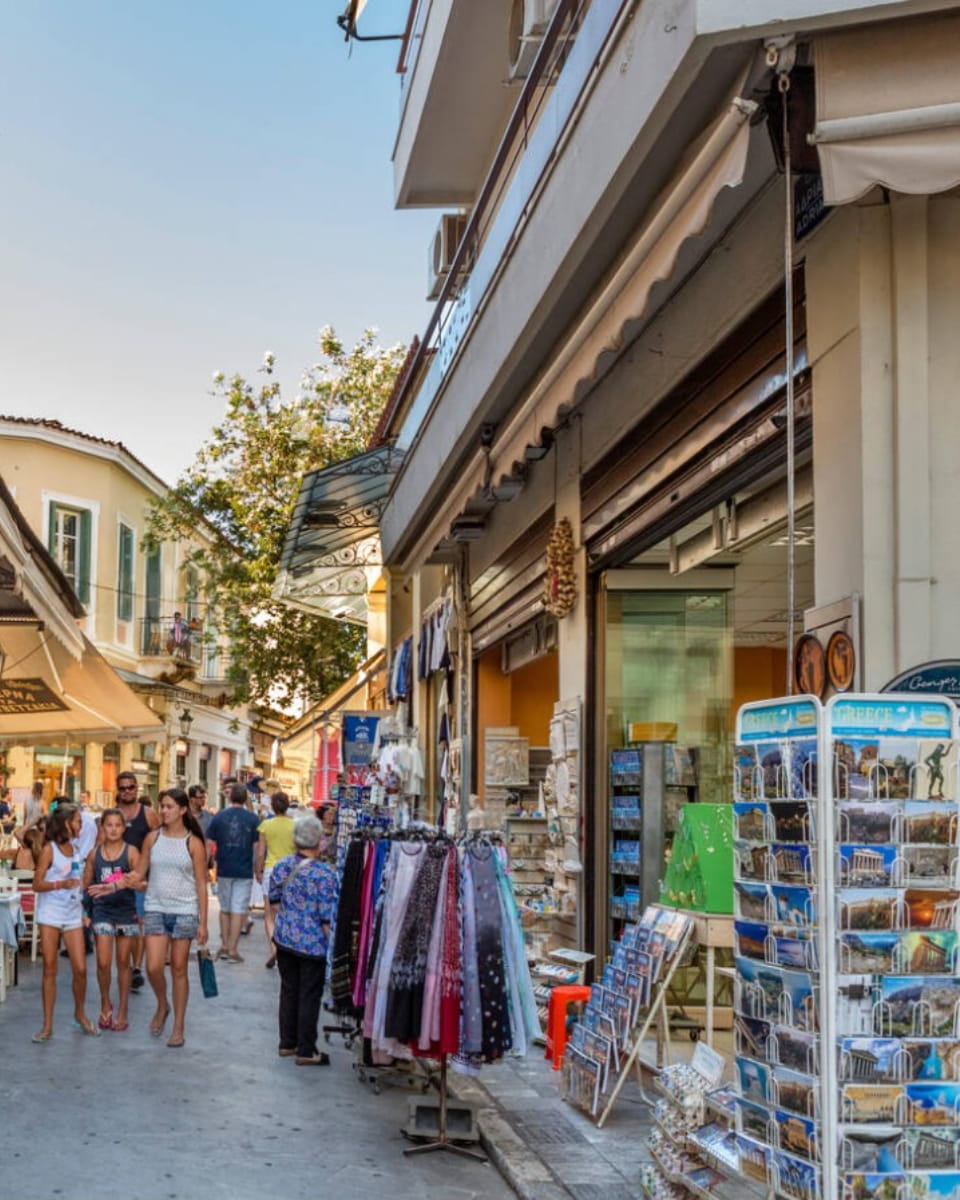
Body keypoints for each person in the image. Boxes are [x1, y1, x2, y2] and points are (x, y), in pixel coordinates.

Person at [124, 788, 208, 1048]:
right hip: (156, 908)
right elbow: (139, 873)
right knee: (153, 966)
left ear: (183, 810)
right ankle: (163, 1004)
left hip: (185, 910)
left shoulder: (193, 843)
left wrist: (203, 922)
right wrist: (114, 881)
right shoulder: (152, 838)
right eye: (162, 806)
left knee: (180, 969)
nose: (164, 811)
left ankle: (178, 1027)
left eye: (170, 806)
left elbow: (202, 884)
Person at [268, 815, 337, 1065]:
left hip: (285, 939)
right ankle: (307, 1050)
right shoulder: (325, 875)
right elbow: (326, 917)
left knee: (289, 990)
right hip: (312, 944)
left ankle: (287, 1042)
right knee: (309, 994)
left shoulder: (282, 866)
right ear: (319, 841)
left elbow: (273, 900)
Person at [31, 803, 99, 1041]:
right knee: (50, 968)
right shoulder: (50, 850)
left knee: (80, 968)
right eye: (78, 821)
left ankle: (79, 1014)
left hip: (73, 913)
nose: (82, 825)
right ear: (66, 824)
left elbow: (80, 881)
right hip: (50, 913)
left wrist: (83, 908)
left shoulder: (78, 849)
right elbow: (36, 884)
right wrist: (60, 884)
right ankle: (47, 1025)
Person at [83, 809, 141, 1031]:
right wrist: (85, 912)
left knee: (123, 963)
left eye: (118, 825)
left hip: (126, 913)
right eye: (109, 825)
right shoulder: (93, 854)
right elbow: (86, 886)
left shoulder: (132, 852)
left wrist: (125, 881)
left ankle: (123, 1009)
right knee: (103, 962)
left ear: (124, 827)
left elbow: (143, 882)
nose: (114, 829)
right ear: (102, 828)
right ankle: (105, 1002)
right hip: (102, 913)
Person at [206, 782, 260, 963]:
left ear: (229, 797)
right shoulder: (253, 819)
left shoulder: (220, 817)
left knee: (225, 908)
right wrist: (257, 868)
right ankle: (233, 948)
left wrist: (207, 864)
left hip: (224, 868)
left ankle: (224, 944)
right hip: (244, 870)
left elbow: (209, 843)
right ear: (245, 798)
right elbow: (257, 847)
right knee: (238, 910)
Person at [116, 771, 159, 990]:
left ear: (136, 788)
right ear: (118, 790)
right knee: (124, 925)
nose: (127, 791)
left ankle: (136, 968)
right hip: (117, 880)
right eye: (123, 788)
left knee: (139, 923)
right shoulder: (112, 815)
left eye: (130, 787)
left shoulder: (149, 814)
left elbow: (159, 842)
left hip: (142, 878)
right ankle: (125, 965)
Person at [254, 792, 295, 969]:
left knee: (269, 913)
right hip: (291, 870)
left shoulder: (266, 825)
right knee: (288, 910)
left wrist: (258, 870)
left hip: (271, 870)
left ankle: (273, 947)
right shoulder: (295, 825)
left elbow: (261, 852)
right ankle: (286, 947)